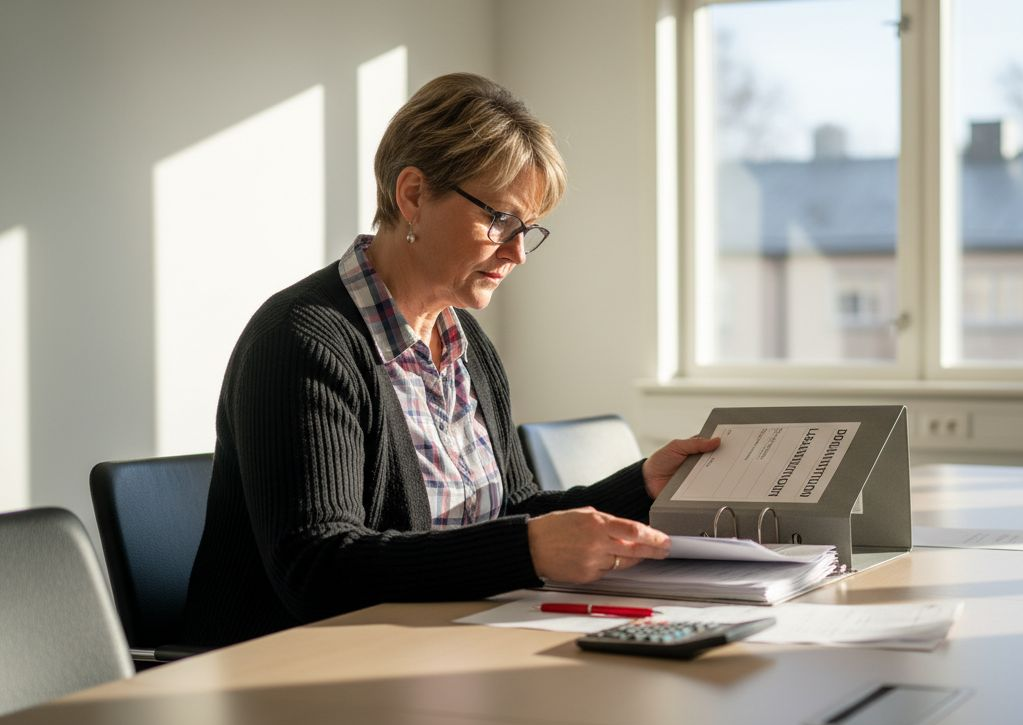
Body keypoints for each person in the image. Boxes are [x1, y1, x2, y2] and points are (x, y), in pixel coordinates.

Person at [181, 73, 718, 647]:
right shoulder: (303, 340)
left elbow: (509, 509)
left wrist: (642, 486)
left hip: (437, 651)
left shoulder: (465, 343)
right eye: (501, 221)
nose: (517, 253)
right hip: (293, 679)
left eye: (527, 230)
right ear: (412, 195)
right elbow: (316, 571)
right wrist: (527, 548)